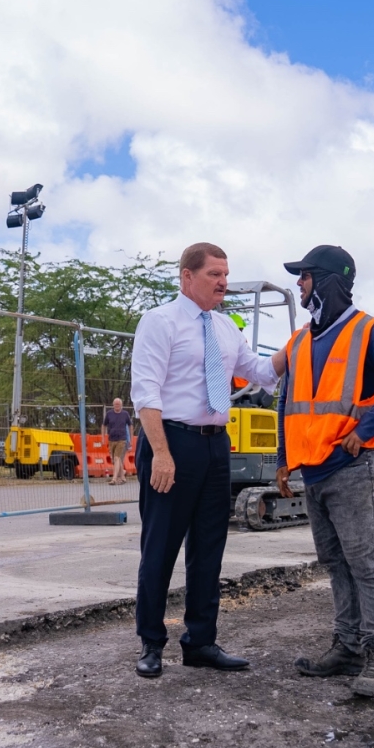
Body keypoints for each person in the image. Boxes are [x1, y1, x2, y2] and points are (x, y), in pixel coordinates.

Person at [130, 242, 288, 678]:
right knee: (160, 548)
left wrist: (297, 345)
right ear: (187, 276)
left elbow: (259, 372)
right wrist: (160, 453)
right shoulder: (159, 322)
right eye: (214, 274)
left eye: (226, 274)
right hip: (172, 444)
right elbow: (146, 392)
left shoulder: (225, 327)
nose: (223, 282)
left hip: (217, 445)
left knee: (209, 549)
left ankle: (201, 641)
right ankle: (151, 644)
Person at [274, 245, 374, 698]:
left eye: (304, 276)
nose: (299, 284)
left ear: (325, 280)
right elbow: (287, 401)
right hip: (316, 470)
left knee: (369, 563)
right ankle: (348, 647)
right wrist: (283, 457)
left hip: (359, 467)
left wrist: (371, 426)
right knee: (336, 562)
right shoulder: (301, 339)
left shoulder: (368, 331)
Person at [102, 398, 132, 485]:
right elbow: (104, 425)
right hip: (112, 439)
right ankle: (123, 477)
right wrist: (103, 438)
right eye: (115, 404)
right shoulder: (109, 414)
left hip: (122, 439)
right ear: (113, 405)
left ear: (121, 405)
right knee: (115, 459)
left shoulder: (125, 414)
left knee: (117, 458)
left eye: (118, 404)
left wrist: (130, 439)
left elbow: (130, 426)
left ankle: (114, 478)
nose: (117, 406)